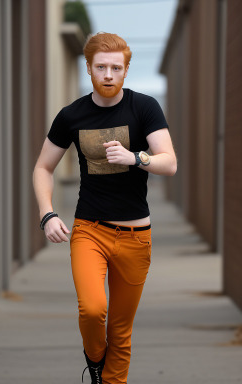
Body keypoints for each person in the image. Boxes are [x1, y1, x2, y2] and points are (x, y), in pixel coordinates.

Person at [33, 32, 177, 384]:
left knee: (121, 331)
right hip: (90, 230)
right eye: (101, 67)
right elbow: (42, 168)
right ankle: (95, 361)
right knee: (93, 309)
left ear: (126, 70)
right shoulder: (72, 115)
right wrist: (47, 213)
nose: (108, 74)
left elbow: (169, 162)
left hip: (135, 237)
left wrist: (134, 157)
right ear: (89, 69)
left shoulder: (144, 108)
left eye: (116, 67)